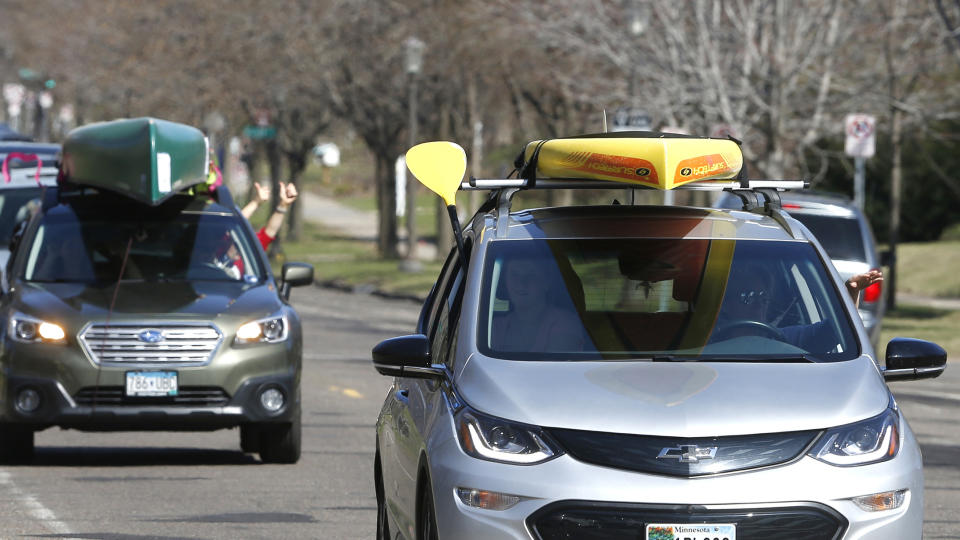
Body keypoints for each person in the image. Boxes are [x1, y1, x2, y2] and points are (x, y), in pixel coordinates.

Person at [490, 255, 586, 353]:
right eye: (514, 274)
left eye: (531, 275)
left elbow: (554, 367)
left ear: (547, 282)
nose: (521, 283)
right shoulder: (495, 327)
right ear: (505, 281)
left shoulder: (565, 323)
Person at [240, 181, 299, 250]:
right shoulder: (225, 243)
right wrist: (256, 202)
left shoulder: (250, 250)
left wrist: (283, 205)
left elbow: (269, 232)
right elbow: (235, 224)